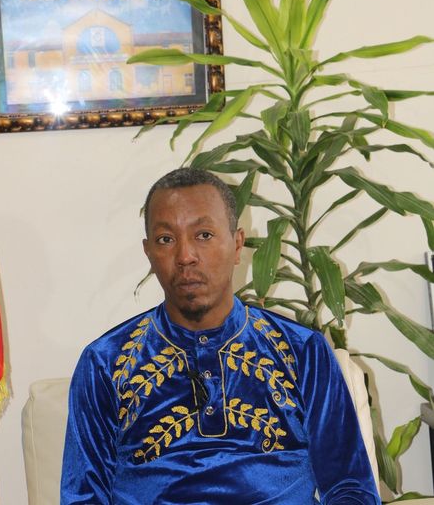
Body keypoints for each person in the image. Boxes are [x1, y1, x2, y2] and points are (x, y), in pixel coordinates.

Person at [61, 168, 380, 504]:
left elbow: (350, 488)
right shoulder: (106, 362)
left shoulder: (302, 352)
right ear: (149, 253)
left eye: (204, 235)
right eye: (166, 239)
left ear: (237, 244)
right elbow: (84, 497)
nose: (185, 256)